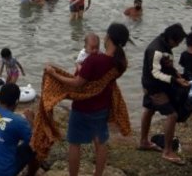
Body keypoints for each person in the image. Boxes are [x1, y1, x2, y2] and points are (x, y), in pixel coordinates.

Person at [43, 23, 130, 176]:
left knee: (74, 143)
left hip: (83, 108)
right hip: (103, 107)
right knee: (101, 142)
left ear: (107, 37)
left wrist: (54, 74)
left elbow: (77, 83)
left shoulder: (94, 60)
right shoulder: (120, 63)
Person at [140, 23, 189, 165]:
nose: (178, 45)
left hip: (151, 85)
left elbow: (167, 65)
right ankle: (167, 151)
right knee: (172, 115)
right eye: (178, 42)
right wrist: (174, 80)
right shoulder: (156, 50)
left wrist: (177, 75)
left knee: (149, 109)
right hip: (154, 87)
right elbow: (155, 73)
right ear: (171, 39)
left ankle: (143, 141)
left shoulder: (165, 46)